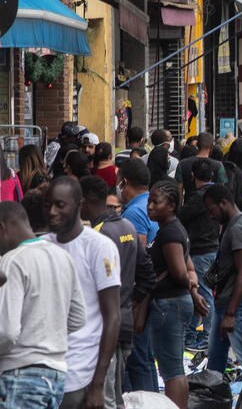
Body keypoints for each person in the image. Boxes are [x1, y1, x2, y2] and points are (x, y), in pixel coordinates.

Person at [44, 177, 121, 409]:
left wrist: (98, 384)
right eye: (48, 205)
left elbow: (112, 317)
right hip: (46, 373)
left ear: (79, 205)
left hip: (82, 373)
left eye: (60, 205)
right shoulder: (42, 246)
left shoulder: (99, 247)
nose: (52, 212)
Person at [0, 201, 86, 409]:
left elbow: (7, 332)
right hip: (56, 375)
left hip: (19, 374)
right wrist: (47, 333)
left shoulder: (12, 261)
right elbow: (78, 318)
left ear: (2, 228)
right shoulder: (62, 256)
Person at [79, 175, 155, 408]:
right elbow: (148, 275)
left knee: (107, 396)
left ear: (84, 201)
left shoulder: (98, 235)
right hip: (124, 323)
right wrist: (130, 303)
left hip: (104, 328)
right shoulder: (127, 227)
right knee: (117, 394)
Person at [145, 180, 208, 409]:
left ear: (171, 205)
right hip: (174, 304)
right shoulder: (173, 229)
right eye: (149, 201)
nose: (150, 206)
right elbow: (189, 270)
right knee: (172, 368)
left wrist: (191, 290)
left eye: (156, 202)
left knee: (171, 370)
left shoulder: (170, 232)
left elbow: (181, 272)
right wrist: (194, 292)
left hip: (169, 305)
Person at [115, 159, 159, 393]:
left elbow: (136, 255)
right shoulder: (151, 203)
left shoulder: (133, 212)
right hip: (152, 290)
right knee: (146, 357)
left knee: (138, 358)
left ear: (125, 182)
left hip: (140, 294)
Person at [202, 184, 242, 371]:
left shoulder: (238, 228)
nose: (211, 216)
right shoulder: (232, 225)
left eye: (212, 210)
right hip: (227, 301)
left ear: (223, 203)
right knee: (215, 357)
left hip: (236, 303)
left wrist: (231, 314)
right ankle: (214, 386)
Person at [178, 159, 221, 352]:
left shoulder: (199, 197)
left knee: (202, 293)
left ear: (193, 176)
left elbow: (181, 217)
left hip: (200, 251)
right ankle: (193, 334)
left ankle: (205, 337)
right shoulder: (218, 194)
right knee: (204, 293)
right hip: (213, 248)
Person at [176, 132, 228, 203]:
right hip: (210, 207)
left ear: (197, 145)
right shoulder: (219, 165)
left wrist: (180, 208)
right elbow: (221, 191)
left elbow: (179, 192)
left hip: (190, 204)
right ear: (212, 147)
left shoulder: (182, 164)